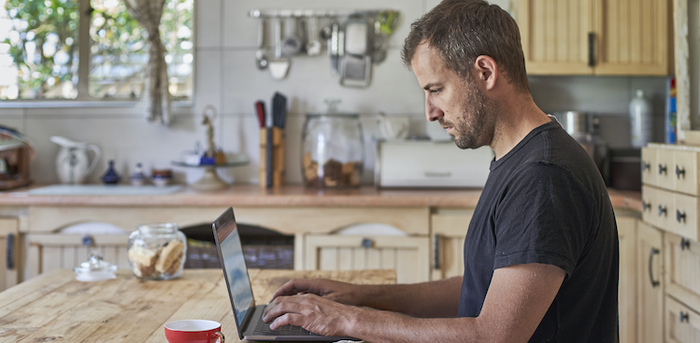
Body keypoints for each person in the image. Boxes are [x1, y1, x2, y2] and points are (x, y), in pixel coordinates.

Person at [262, 1, 619, 342]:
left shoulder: (543, 176)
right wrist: (360, 297)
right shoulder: (522, 159)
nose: (430, 112)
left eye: (436, 90)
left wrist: (346, 320)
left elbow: (493, 336)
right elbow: (482, 288)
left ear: (485, 72)